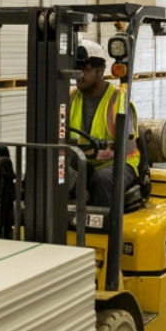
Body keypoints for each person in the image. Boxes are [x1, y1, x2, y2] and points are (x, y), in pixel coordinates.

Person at [67, 39, 139, 211]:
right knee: (56, 173)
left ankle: (100, 233)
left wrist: (91, 152)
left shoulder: (119, 101)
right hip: (86, 162)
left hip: (121, 164)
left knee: (101, 180)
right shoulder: (71, 98)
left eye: (85, 70)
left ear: (100, 71)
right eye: (77, 69)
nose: (79, 75)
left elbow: (124, 149)